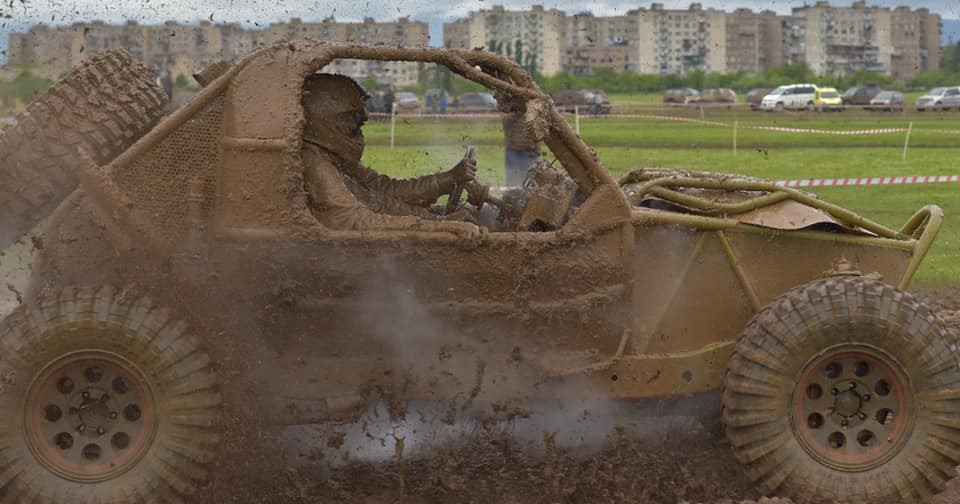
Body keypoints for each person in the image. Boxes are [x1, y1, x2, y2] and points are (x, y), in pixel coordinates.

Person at [300, 73, 482, 237]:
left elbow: (387, 191)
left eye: (359, 125)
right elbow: (353, 220)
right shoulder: (315, 163)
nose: (358, 134)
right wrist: (438, 226)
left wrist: (447, 181)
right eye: (352, 123)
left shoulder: (338, 160)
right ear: (325, 119)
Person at [500, 94, 541, 187]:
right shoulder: (509, 109)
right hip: (513, 152)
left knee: (532, 184)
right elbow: (504, 119)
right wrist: (519, 112)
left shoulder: (535, 109)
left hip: (531, 152)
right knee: (512, 183)